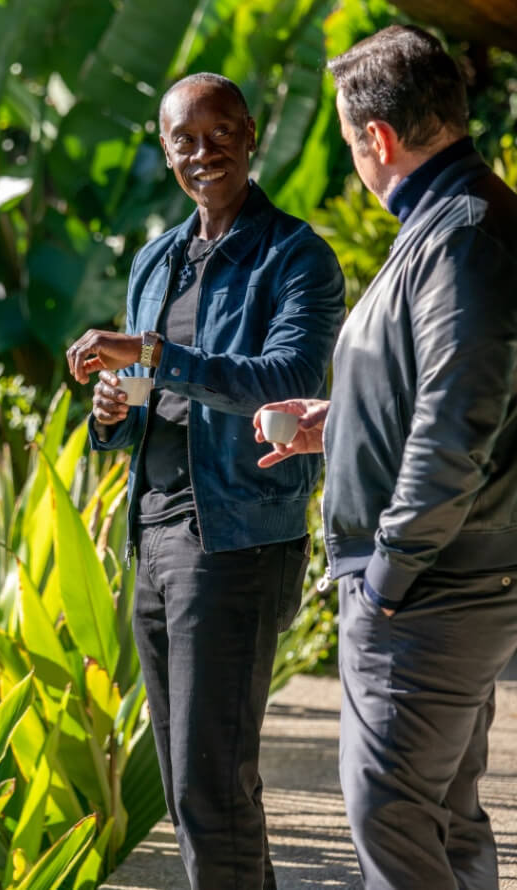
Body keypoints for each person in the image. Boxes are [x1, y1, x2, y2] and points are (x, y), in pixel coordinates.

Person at [254, 25, 517, 890]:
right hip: (462, 571)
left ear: (378, 139)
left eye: (352, 143)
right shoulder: (458, 217)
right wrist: (343, 417)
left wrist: (388, 577)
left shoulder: (463, 234)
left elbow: (454, 429)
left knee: (389, 813)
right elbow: (441, 387)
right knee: (441, 811)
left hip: (437, 581)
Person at [66, 72, 344, 890]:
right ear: (165, 151)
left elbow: (283, 375)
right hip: (153, 532)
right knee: (193, 789)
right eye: (183, 139)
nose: (202, 152)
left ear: (251, 134)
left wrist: (150, 355)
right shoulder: (156, 260)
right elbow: (148, 404)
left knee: (210, 786)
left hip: (236, 537)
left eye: (219, 132)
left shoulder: (296, 256)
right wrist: (114, 409)